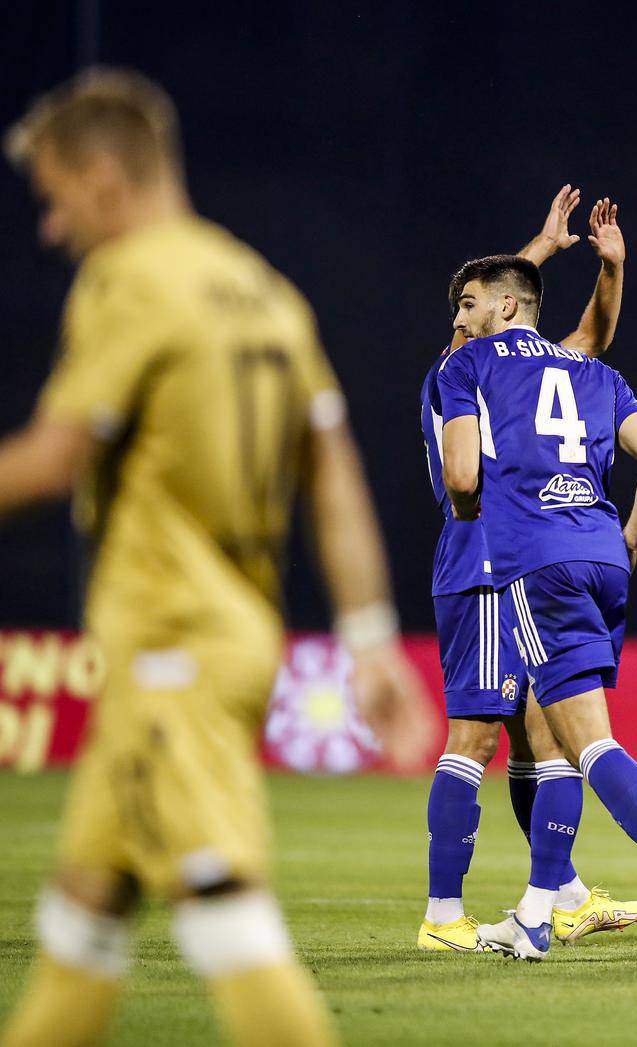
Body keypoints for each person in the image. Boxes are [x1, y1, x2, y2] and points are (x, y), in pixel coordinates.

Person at [0, 69, 431, 1047]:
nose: (53, 229)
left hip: (171, 648)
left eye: (59, 198)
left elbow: (55, 457)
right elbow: (334, 473)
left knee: (226, 914)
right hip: (234, 637)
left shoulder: (132, 279)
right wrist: (367, 637)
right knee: (84, 918)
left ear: (107, 176)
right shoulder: (264, 292)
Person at [436, 255, 637, 968]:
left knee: (587, 742)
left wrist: (474, 508)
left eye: (471, 305)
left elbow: (463, 476)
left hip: (537, 560)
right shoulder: (597, 372)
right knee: (559, 739)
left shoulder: (468, 366)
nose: (461, 320)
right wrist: (625, 544)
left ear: (505, 307)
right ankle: (537, 913)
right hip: (602, 556)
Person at [416, 188, 637, 952]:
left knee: (542, 739)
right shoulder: (458, 367)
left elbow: (571, 334)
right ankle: (444, 914)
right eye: (462, 309)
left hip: (523, 563)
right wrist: (540, 253)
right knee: (477, 734)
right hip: (484, 562)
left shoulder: (503, 363)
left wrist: (597, 265)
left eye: (472, 305)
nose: (464, 314)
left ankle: (562, 894)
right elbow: (507, 315)